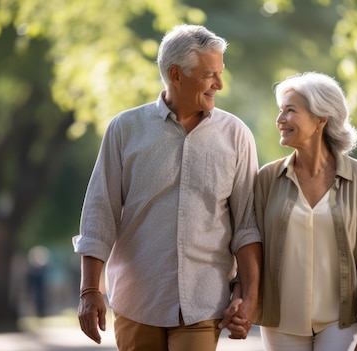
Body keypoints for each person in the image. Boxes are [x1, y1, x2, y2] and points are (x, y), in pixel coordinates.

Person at [72, 24, 262, 350]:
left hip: (203, 301)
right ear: (175, 74)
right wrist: (90, 290)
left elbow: (246, 225)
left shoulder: (236, 135)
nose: (219, 84)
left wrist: (248, 297)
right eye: (208, 75)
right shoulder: (125, 130)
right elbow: (99, 213)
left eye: (220, 72)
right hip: (137, 299)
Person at [253, 72, 357, 351]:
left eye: (290, 111)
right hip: (281, 324)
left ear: (321, 120)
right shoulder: (267, 179)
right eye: (280, 111)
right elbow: (250, 245)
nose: (280, 120)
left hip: (341, 322)